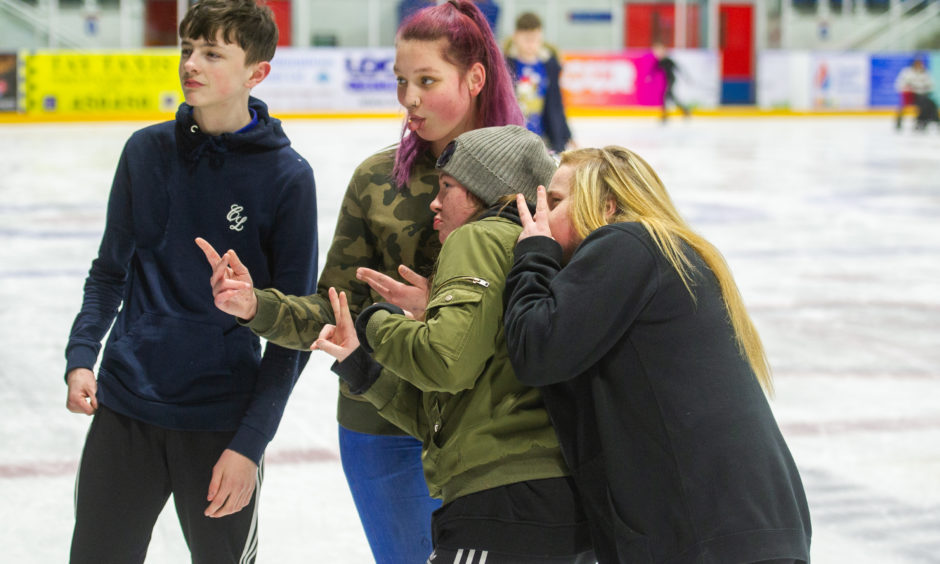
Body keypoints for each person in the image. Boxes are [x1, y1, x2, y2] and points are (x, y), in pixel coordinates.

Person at [197, 2, 524, 562]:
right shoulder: (378, 181)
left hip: (495, 427)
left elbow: (550, 313)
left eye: (426, 80)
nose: (409, 99)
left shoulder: (531, 176)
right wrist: (257, 307)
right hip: (382, 421)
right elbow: (335, 310)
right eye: (401, 81)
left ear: (474, 78)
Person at [63, 1, 318, 562]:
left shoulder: (287, 179)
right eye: (186, 49)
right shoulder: (144, 153)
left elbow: (294, 331)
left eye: (211, 52)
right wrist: (83, 354)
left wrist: (249, 446)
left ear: (257, 72)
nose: (190, 64)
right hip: (125, 410)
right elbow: (110, 273)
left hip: (220, 426)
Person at [503, 146, 812, 563]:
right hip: (741, 529)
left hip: (707, 535)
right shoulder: (668, 253)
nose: (539, 216)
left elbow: (537, 350)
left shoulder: (627, 243)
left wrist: (534, 254)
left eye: (555, 202)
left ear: (606, 205)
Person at [314, 125, 594, 563]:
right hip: (552, 504)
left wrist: (377, 323)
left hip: (501, 504)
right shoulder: (532, 257)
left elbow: (447, 364)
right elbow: (456, 409)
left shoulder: (480, 237)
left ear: (486, 191)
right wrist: (360, 366)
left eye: (447, 187)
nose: (435, 201)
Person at [504, 11, 573, 153]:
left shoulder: (549, 66)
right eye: (527, 39)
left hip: (543, 140)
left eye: (535, 39)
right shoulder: (505, 65)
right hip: (513, 140)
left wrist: (566, 134)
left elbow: (556, 104)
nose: (531, 44)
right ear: (516, 36)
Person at [894, 56, 938, 131]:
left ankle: (928, 120)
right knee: (924, 102)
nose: (919, 65)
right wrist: (909, 89)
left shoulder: (925, 73)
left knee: (931, 104)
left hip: (923, 95)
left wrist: (926, 89)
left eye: (920, 63)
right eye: (917, 63)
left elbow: (931, 85)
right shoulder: (907, 72)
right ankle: (922, 121)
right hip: (911, 95)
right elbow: (900, 84)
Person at [651, 41, 690, 123]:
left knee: (665, 97)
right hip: (668, 80)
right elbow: (655, 69)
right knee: (671, 98)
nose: (657, 52)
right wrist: (650, 76)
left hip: (671, 80)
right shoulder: (661, 61)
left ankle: (665, 116)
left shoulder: (667, 60)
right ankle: (685, 110)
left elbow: (677, 68)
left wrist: (686, 77)